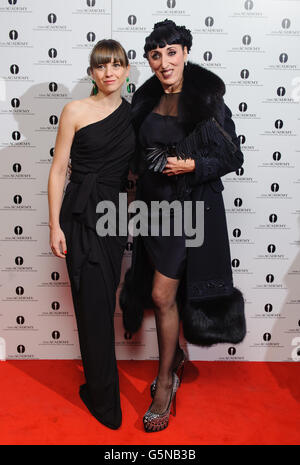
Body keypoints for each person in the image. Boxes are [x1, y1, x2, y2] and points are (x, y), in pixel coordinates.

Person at [119, 20, 245, 432]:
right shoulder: (145, 99)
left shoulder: (207, 98)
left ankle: (164, 382)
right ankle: (175, 358)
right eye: (156, 55)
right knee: (164, 296)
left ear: (186, 52)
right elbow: (137, 151)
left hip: (190, 211)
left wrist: (193, 164)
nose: (164, 61)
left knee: (160, 293)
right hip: (153, 210)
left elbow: (232, 157)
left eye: (171, 52)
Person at [47, 39, 135, 429]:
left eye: (116, 65)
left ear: (127, 71)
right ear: (92, 72)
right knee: (89, 303)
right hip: (79, 215)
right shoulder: (75, 110)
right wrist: (54, 225)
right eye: (101, 66)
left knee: (102, 302)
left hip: (113, 215)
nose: (109, 72)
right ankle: (104, 398)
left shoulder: (137, 117)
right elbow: (58, 169)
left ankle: (98, 388)